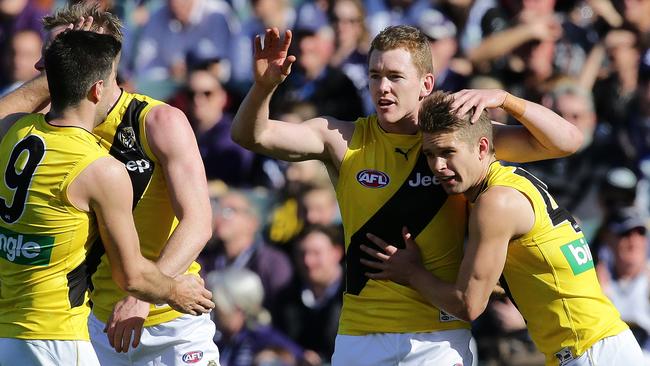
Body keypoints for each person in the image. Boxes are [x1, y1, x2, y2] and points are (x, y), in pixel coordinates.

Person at [231, 24, 582, 365]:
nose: (382, 88)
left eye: (395, 77)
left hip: (439, 337)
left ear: (425, 84)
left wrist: (506, 99)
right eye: (374, 76)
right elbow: (253, 136)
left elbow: (567, 141)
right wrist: (263, 87)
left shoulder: (457, 139)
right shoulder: (341, 138)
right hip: (361, 334)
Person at [0, 4, 218, 365]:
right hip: (93, 325)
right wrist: (62, 72)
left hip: (170, 323)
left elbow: (198, 222)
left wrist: (144, 297)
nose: (41, 68)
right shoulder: (37, 127)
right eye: (47, 58)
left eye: (53, 57)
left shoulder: (157, 121)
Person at [361, 90, 644, 365]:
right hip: (598, 345)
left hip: (589, 351)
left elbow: (468, 305)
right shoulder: (508, 183)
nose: (437, 166)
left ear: (482, 147)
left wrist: (411, 272)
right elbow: (570, 139)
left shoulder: (495, 203)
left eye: (448, 152)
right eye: (430, 154)